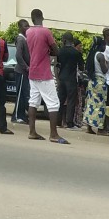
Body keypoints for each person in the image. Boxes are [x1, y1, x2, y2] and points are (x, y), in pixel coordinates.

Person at [25, 8, 67, 145]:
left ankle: (32, 131)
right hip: (44, 72)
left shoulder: (28, 32)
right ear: (42, 17)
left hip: (32, 71)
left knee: (33, 101)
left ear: (32, 19)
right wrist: (49, 51)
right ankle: (53, 134)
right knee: (53, 103)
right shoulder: (46, 31)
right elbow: (56, 50)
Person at [83, 29, 109, 135]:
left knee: (91, 105)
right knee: (100, 106)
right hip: (100, 82)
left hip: (92, 81)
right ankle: (100, 129)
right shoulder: (100, 55)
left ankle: (89, 127)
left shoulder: (92, 54)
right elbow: (105, 70)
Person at [56, 32, 83, 130]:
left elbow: (57, 64)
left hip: (62, 78)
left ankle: (58, 121)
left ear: (65, 40)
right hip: (71, 79)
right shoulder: (76, 53)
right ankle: (69, 123)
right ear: (71, 40)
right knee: (71, 101)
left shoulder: (60, 51)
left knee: (60, 100)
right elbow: (81, 67)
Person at [11, 19, 31, 123]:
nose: (27, 28)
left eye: (28, 26)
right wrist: (26, 67)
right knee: (20, 94)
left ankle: (22, 115)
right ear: (20, 27)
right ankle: (16, 116)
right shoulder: (21, 39)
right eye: (25, 26)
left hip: (25, 72)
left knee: (24, 94)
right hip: (21, 71)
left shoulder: (26, 39)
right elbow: (18, 56)